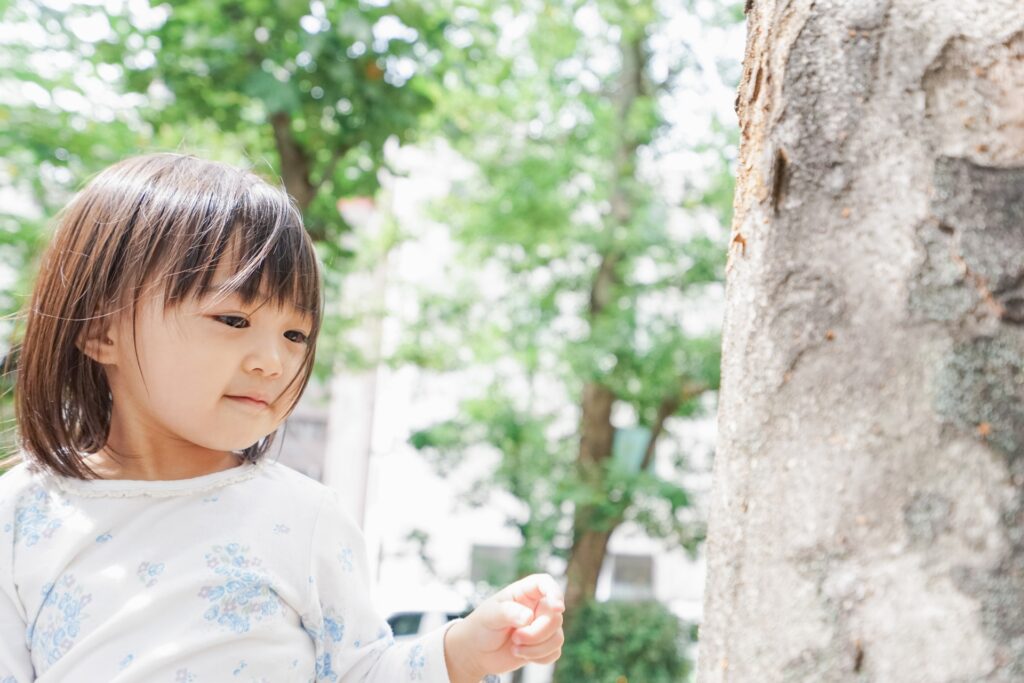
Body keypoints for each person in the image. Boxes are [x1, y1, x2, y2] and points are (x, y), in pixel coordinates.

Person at [0, 153, 564, 682]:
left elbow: (360, 669)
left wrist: (463, 650)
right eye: (233, 319)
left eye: (296, 334)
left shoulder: (301, 517)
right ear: (101, 329)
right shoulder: (22, 514)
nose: (274, 362)